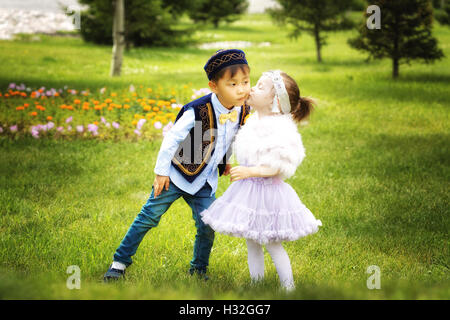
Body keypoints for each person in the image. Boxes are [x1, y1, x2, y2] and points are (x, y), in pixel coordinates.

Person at [103, 49, 252, 281]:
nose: (241, 89)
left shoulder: (243, 110)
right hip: (177, 174)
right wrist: (162, 172)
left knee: (208, 224)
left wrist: (225, 163)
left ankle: (199, 269)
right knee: (148, 216)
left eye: (245, 82)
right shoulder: (198, 110)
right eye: (233, 84)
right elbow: (171, 139)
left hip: (204, 181)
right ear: (214, 86)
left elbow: (228, 139)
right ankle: (119, 263)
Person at [200, 70, 322, 290]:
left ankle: (288, 287)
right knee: (252, 241)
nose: (252, 88)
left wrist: (250, 172)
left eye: (261, 87)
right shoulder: (253, 120)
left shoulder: (281, 129)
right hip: (249, 192)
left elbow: (278, 165)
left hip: (268, 193)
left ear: (274, 101)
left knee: (272, 243)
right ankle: (257, 283)